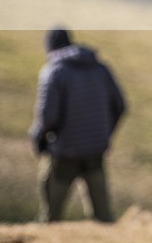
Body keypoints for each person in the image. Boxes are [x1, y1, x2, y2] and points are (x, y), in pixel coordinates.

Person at [29, 28, 126, 223]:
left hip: (64, 152)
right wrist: (104, 135)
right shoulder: (100, 68)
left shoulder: (54, 71)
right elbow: (120, 105)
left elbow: (47, 116)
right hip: (96, 150)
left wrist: (38, 138)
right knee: (103, 216)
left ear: (50, 47)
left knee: (51, 217)